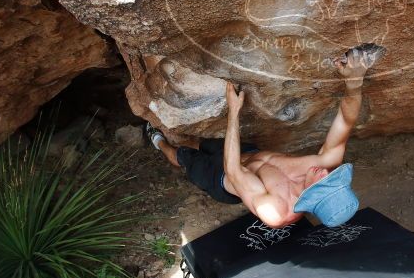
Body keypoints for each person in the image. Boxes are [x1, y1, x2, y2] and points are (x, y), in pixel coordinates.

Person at [147, 44, 383, 228]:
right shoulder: (323, 165)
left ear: (312, 198)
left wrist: (234, 112)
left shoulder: (276, 211)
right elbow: (346, 120)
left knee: (182, 156)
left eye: (325, 180)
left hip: (220, 176)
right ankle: (186, 141)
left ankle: (158, 142)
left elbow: (233, 171)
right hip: (247, 153)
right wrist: (354, 81)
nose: (326, 172)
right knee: (203, 144)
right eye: (333, 176)